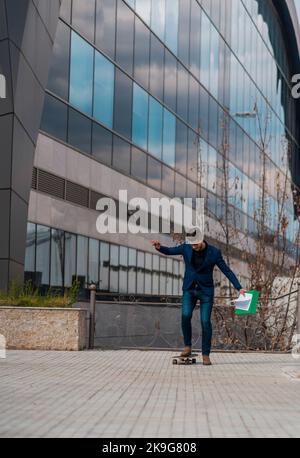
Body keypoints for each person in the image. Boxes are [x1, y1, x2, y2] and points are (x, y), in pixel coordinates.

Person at [151, 233, 246, 365]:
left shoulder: (214, 252)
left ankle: (206, 354)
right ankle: (187, 346)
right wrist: (159, 247)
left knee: (205, 321)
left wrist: (239, 287)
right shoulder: (186, 247)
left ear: (201, 240)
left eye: (195, 244)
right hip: (189, 289)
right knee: (185, 315)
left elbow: (226, 270)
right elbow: (170, 251)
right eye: (192, 244)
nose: (193, 247)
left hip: (206, 291)